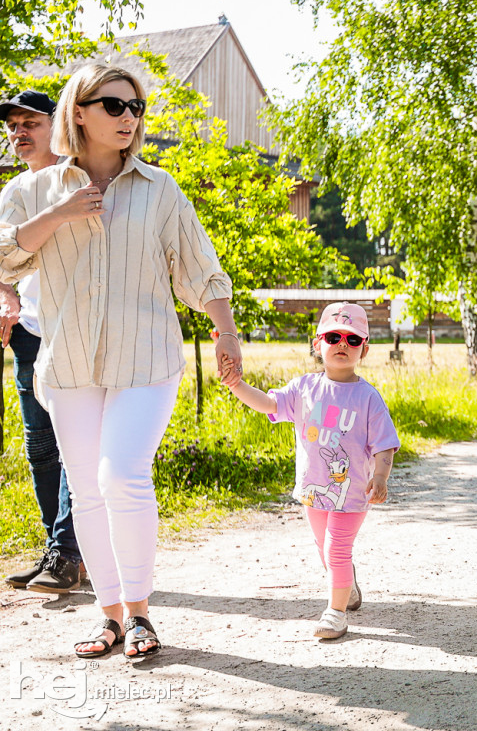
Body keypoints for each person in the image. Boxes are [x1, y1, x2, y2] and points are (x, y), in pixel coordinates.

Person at [0, 64, 240, 659]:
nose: (129, 117)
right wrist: (60, 214)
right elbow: (4, 260)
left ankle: (140, 615)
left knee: (121, 474)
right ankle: (108, 617)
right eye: (113, 105)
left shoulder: (160, 189)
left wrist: (226, 330)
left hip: (147, 359)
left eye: (135, 106)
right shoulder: (31, 191)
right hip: (68, 361)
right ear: (78, 112)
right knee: (85, 490)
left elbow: (198, 266)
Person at [224, 303, 399, 639]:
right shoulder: (304, 388)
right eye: (334, 337)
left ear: (364, 348)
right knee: (324, 547)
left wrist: (380, 478)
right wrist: (236, 385)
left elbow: (384, 445)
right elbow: (269, 404)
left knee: (336, 547)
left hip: (352, 493)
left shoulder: (368, 398)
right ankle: (346, 585)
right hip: (312, 490)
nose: (342, 345)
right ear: (317, 343)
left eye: (352, 339)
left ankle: (336, 612)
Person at [0, 90, 84, 594]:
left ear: (56, 125)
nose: (19, 133)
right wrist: (5, 296)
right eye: (13, 126)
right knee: (41, 447)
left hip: (72, 330)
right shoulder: (11, 191)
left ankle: (70, 551)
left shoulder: (77, 179)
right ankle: (61, 551)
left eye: (30, 122)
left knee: (73, 443)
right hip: (29, 334)